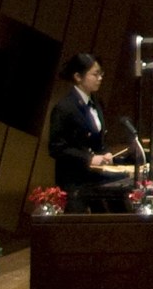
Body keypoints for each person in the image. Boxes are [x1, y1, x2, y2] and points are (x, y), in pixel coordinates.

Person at [46, 52, 116, 196]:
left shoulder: (97, 103)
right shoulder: (64, 108)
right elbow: (56, 148)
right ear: (78, 77)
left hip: (96, 178)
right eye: (95, 74)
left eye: (101, 73)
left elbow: (98, 139)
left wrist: (106, 152)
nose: (100, 78)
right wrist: (88, 158)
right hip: (74, 183)